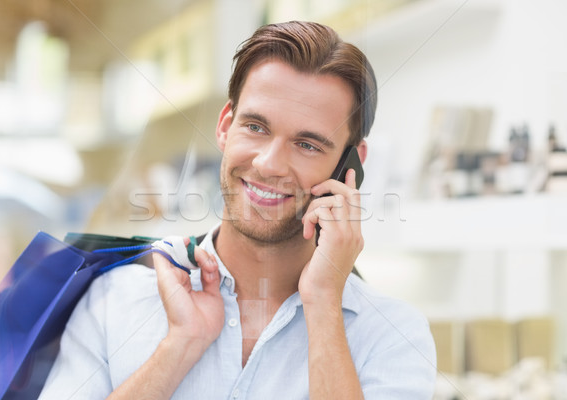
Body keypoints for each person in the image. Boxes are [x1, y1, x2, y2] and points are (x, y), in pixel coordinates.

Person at [39, 21, 437, 399]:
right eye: (256, 127)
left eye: (308, 144)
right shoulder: (113, 301)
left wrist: (322, 303)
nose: (268, 164)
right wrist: (179, 346)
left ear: (351, 164)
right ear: (225, 126)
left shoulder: (394, 334)